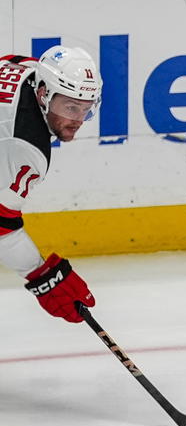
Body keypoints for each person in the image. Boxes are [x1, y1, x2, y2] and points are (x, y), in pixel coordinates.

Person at [0, 47, 101, 323]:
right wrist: (43, 276)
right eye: (69, 107)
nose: (77, 120)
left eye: (85, 109)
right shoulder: (25, 148)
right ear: (44, 94)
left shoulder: (29, 70)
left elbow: (11, 60)